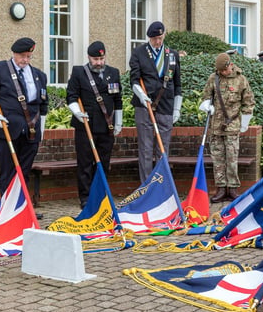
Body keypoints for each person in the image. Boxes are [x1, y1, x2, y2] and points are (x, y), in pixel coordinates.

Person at [0, 37, 49, 202]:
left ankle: (22, 207)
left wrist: (42, 129)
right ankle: (7, 209)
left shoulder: (39, 75)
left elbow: (43, 104)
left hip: (31, 132)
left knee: (24, 172)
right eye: (22, 56)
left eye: (28, 56)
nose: (25, 60)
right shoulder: (0, 69)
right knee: (8, 171)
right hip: (6, 129)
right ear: (14, 53)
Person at [66, 41, 122, 209]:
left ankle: (100, 194)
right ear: (89, 58)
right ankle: (85, 197)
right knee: (85, 162)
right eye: (96, 59)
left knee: (104, 161)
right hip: (86, 125)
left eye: (101, 58)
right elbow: (71, 96)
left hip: (107, 126)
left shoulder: (113, 72)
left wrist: (118, 122)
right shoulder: (79, 72)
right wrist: (76, 111)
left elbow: (117, 100)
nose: (99, 62)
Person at [129, 21, 182, 183]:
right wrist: (140, 95)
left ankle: (161, 185)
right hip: (145, 106)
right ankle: (146, 187)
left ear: (164, 35)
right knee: (145, 149)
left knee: (163, 148)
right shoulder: (139, 53)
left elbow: (178, 83)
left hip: (166, 105)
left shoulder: (172, 54)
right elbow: (134, 80)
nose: (157, 42)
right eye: (154, 39)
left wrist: (177, 108)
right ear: (149, 38)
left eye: (160, 38)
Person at [199, 53, 255, 202]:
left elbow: (248, 101)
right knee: (218, 159)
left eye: (224, 70)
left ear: (230, 65)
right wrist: (206, 105)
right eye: (220, 71)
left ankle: (233, 188)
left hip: (232, 125)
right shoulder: (213, 78)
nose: (223, 73)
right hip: (216, 125)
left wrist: (245, 121)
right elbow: (205, 96)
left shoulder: (241, 80)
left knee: (231, 157)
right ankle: (221, 188)